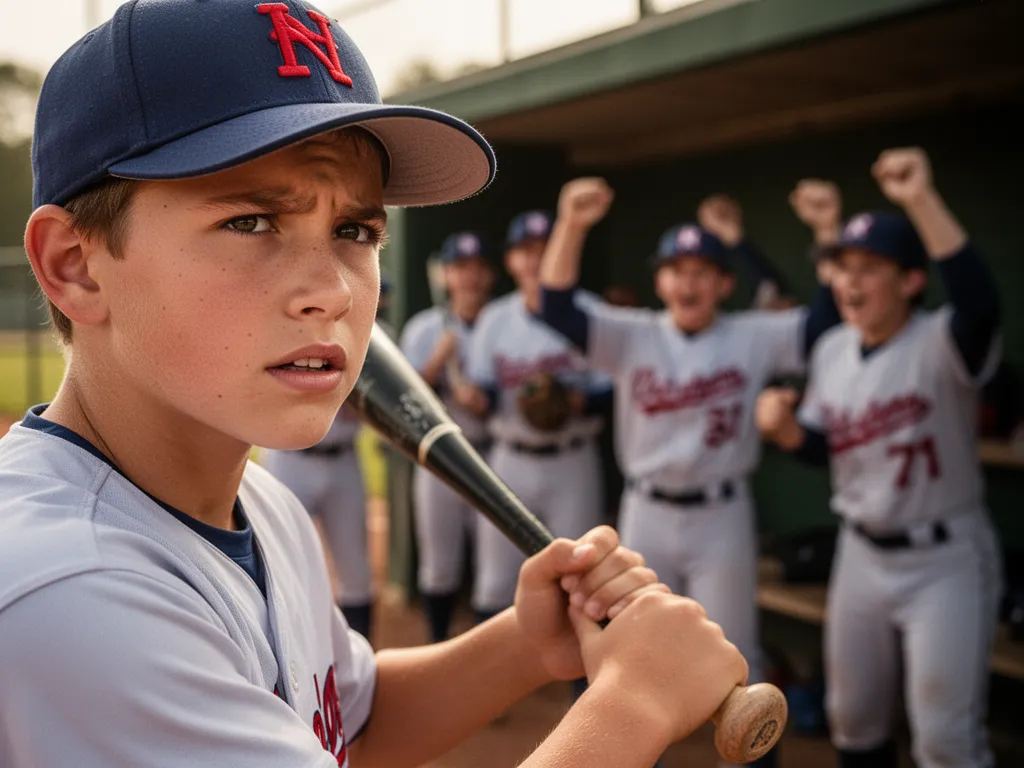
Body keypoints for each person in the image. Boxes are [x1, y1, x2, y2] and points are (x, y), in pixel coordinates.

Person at [0, 2, 750, 767]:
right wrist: (634, 706)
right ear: (75, 264)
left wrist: (526, 643)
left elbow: (348, 724)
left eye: (355, 231)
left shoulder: (262, 503)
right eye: (253, 221)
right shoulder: (68, 592)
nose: (332, 289)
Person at [537, 177, 842, 767]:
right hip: (646, 512)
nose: (689, 282)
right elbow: (556, 308)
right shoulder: (632, 335)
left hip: (721, 515)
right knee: (626, 652)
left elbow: (825, 322)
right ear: (661, 282)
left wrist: (827, 233)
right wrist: (570, 225)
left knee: (739, 661)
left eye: (703, 271)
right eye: (677, 270)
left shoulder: (752, 336)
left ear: (726, 284)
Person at [756, 147, 1003, 768]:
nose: (850, 282)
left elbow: (981, 307)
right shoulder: (835, 348)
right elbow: (819, 447)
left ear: (911, 281)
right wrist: (787, 432)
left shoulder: (941, 339)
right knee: (854, 719)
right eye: (842, 267)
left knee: (946, 739)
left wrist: (920, 199)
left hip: (945, 560)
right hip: (861, 556)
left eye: (870, 268)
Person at [457, 210, 615, 625]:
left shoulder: (589, 314)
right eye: (524, 251)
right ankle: (490, 685)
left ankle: (584, 688)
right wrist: (476, 400)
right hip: (511, 459)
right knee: (495, 579)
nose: (534, 261)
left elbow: (613, 393)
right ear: (511, 261)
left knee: (583, 576)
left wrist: (575, 400)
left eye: (544, 251)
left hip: (572, 460)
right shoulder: (495, 319)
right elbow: (487, 393)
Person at [399, 231, 495, 642]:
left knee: (494, 568)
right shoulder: (425, 327)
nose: (469, 278)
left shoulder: (503, 322)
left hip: (492, 453)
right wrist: (437, 361)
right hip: (440, 459)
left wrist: (480, 398)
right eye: (459, 268)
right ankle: (438, 646)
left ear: (488, 275)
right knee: (439, 564)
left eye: (476, 269)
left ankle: (492, 661)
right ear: (447, 276)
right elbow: (404, 396)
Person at [262, 401, 374, 641]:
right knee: (280, 563)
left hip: (344, 457)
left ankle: (361, 661)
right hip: (289, 459)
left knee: (356, 569)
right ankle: (287, 656)